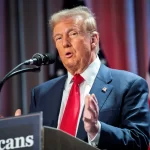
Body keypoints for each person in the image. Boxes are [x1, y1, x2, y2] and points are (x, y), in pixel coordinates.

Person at [19, 6, 149, 149]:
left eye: (73, 34)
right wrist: (18, 135)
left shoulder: (129, 85)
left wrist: (97, 129)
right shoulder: (42, 94)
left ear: (93, 39)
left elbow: (140, 141)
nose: (65, 43)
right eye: (58, 38)